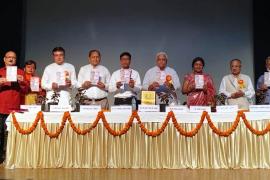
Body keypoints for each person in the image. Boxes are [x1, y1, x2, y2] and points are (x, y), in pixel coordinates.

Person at [0, 51, 28, 162]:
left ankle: (11, 156)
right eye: (9, 57)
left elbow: (26, 91)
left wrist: (22, 82)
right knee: (0, 133)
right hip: (1, 107)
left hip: (15, 109)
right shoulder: (0, 72)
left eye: (14, 58)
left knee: (12, 134)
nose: (11, 59)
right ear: (4, 59)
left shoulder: (20, 72)